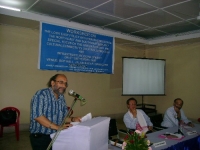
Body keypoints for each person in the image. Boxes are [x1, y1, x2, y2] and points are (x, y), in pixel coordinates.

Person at [29, 74, 81, 150]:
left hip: (56, 135)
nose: (64, 86)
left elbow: (63, 118)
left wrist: (73, 119)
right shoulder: (41, 95)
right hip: (41, 137)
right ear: (52, 83)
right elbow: (38, 116)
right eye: (61, 82)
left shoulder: (61, 97)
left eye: (65, 83)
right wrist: (58, 127)